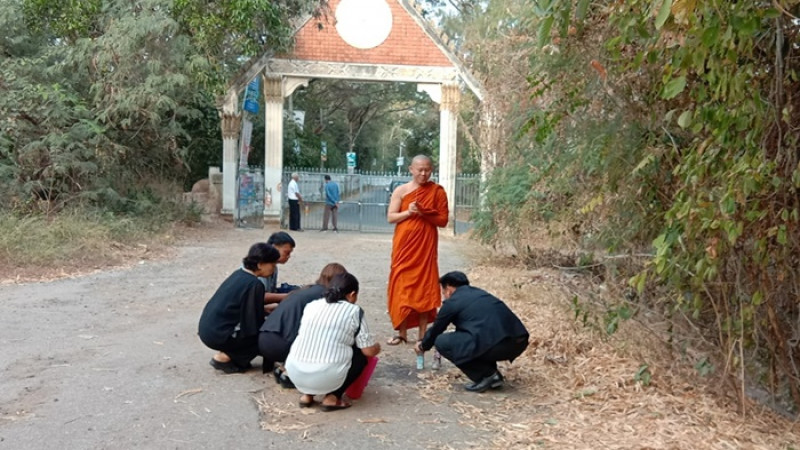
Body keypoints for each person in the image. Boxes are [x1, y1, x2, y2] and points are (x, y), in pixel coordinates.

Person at [415, 271, 529, 392]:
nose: (444, 295)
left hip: (498, 345)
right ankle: (492, 374)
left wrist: (423, 345)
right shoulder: (480, 293)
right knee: (472, 337)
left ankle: (487, 375)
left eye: (443, 292)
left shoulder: (453, 302)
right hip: (519, 342)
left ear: (448, 288)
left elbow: (437, 330)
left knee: (442, 341)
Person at [284, 273, 381, 411]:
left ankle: (307, 395)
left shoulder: (312, 305)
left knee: (315, 345)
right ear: (352, 294)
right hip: (327, 375)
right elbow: (368, 351)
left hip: (295, 372)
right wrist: (377, 347)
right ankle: (332, 398)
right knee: (360, 356)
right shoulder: (354, 311)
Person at [386, 155, 449, 350]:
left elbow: (443, 220)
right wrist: (410, 213)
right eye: (419, 169)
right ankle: (401, 333)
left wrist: (424, 213)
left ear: (432, 170)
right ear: (411, 169)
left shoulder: (437, 192)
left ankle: (423, 335)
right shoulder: (401, 190)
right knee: (401, 286)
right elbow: (391, 217)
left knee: (424, 287)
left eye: (427, 170)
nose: (423, 173)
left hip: (425, 247)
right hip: (404, 247)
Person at [259, 262, 349, 387]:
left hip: (264, 338)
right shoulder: (324, 297)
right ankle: (290, 374)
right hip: (282, 344)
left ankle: (283, 368)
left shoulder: (306, 289)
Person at [198, 243, 281, 374]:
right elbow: (252, 322)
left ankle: (230, 355)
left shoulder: (238, 275)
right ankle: (225, 358)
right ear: (260, 264)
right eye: (273, 264)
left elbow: (242, 309)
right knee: (266, 337)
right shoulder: (255, 284)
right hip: (220, 335)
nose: (274, 268)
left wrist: (264, 309)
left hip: (208, 330)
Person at [261, 232, 299, 313]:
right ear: (274, 248)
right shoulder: (261, 266)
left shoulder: (273, 267)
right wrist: (288, 296)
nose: (288, 256)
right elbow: (260, 296)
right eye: (286, 252)